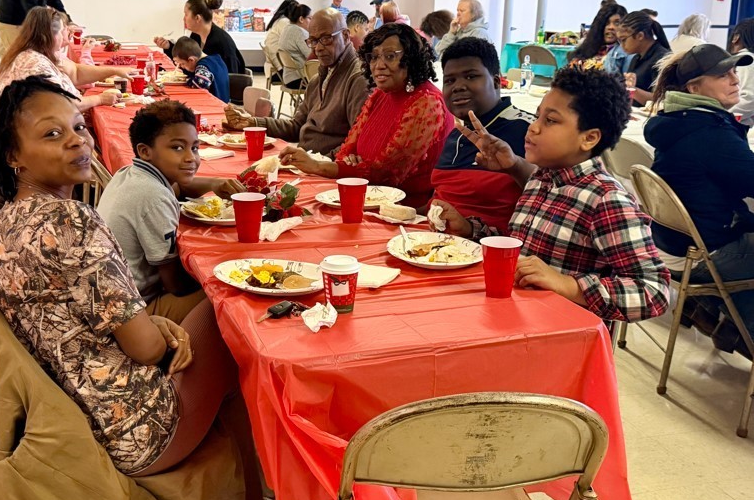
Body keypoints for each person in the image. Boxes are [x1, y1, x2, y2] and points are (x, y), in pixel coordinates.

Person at [0, 78, 266, 500]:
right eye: (52, 133)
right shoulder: (72, 222)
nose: (77, 140)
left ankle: (242, 491)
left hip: (66, 408)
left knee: (211, 331)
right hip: (129, 427)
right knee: (232, 315)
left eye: (78, 126)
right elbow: (146, 349)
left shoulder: (1, 226)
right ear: (13, 155)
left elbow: (81, 315)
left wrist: (156, 324)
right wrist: (158, 332)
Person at [432, 67, 670, 323]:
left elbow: (654, 291)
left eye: (551, 121)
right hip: (517, 317)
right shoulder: (539, 180)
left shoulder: (605, 200)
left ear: (589, 138)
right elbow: (522, 251)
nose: (533, 128)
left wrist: (567, 284)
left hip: (563, 334)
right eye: (537, 117)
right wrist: (469, 229)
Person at [645, 44, 754, 352]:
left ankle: (725, 320)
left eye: (734, 72)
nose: (735, 80)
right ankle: (738, 327)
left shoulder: (677, 121)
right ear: (694, 87)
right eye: (723, 75)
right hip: (704, 253)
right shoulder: (710, 132)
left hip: (670, 244)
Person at [98, 100, 244, 323]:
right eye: (177, 147)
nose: (191, 158)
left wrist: (214, 184)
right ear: (145, 151)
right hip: (133, 313)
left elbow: (178, 187)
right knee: (227, 294)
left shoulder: (131, 173)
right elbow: (175, 285)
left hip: (109, 299)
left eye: (194, 147)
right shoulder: (153, 196)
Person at [279, 23, 453, 207]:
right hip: (364, 196)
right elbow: (347, 150)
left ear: (411, 58)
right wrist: (350, 163)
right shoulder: (381, 94)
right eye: (374, 57)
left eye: (390, 56)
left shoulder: (428, 103)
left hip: (403, 212)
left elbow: (386, 175)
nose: (379, 65)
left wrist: (318, 166)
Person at [225, 9, 369, 157]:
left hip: (324, 165)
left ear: (345, 36)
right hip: (306, 160)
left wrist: (318, 163)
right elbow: (297, 126)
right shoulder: (318, 79)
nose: (318, 48)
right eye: (313, 41)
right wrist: (252, 122)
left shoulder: (358, 79)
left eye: (326, 39)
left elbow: (358, 142)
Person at [431, 37, 534, 229]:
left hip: (492, 243)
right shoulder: (457, 134)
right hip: (432, 238)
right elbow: (440, 201)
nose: (458, 86)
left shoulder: (528, 130)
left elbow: (555, 193)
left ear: (496, 82)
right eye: (450, 80)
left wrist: (516, 166)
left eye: (471, 77)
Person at [0, 7, 130, 117]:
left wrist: (114, 70)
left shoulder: (36, 53)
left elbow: (76, 73)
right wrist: (100, 99)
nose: (64, 35)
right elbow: (63, 105)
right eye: (62, 31)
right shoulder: (35, 64)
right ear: (47, 36)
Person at [154, 0, 246, 74]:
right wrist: (168, 46)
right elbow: (186, 62)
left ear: (197, 18)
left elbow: (232, 77)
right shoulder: (196, 35)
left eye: (186, 15)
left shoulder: (221, 41)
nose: (183, 19)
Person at [618, 10, 671, 106]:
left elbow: (662, 100)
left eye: (623, 40)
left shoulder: (663, 59)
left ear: (640, 36)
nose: (621, 45)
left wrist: (632, 90)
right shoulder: (636, 58)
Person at [569, 2, 628, 71]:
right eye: (606, 23)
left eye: (617, 23)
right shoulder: (586, 49)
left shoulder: (625, 55)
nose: (611, 27)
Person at [171, 36, 231, 103]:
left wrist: (188, 81)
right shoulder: (215, 59)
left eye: (182, 64)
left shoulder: (203, 66)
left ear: (191, 60)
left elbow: (200, 84)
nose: (182, 67)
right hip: (224, 100)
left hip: (216, 103)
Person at [278, 3, 312, 89]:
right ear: (301, 19)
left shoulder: (287, 28)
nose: (311, 22)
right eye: (309, 18)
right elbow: (310, 56)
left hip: (288, 78)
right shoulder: (299, 32)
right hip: (299, 79)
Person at [728, 18, 754, 125]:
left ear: (736, 37)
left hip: (737, 125)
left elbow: (749, 99)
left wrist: (721, 114)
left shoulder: (746, 60)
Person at [263, 0, 298, 65]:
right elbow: (293, 40)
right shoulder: (284, 22)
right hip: (279, 60)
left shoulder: (279, 20)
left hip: (275, 56)